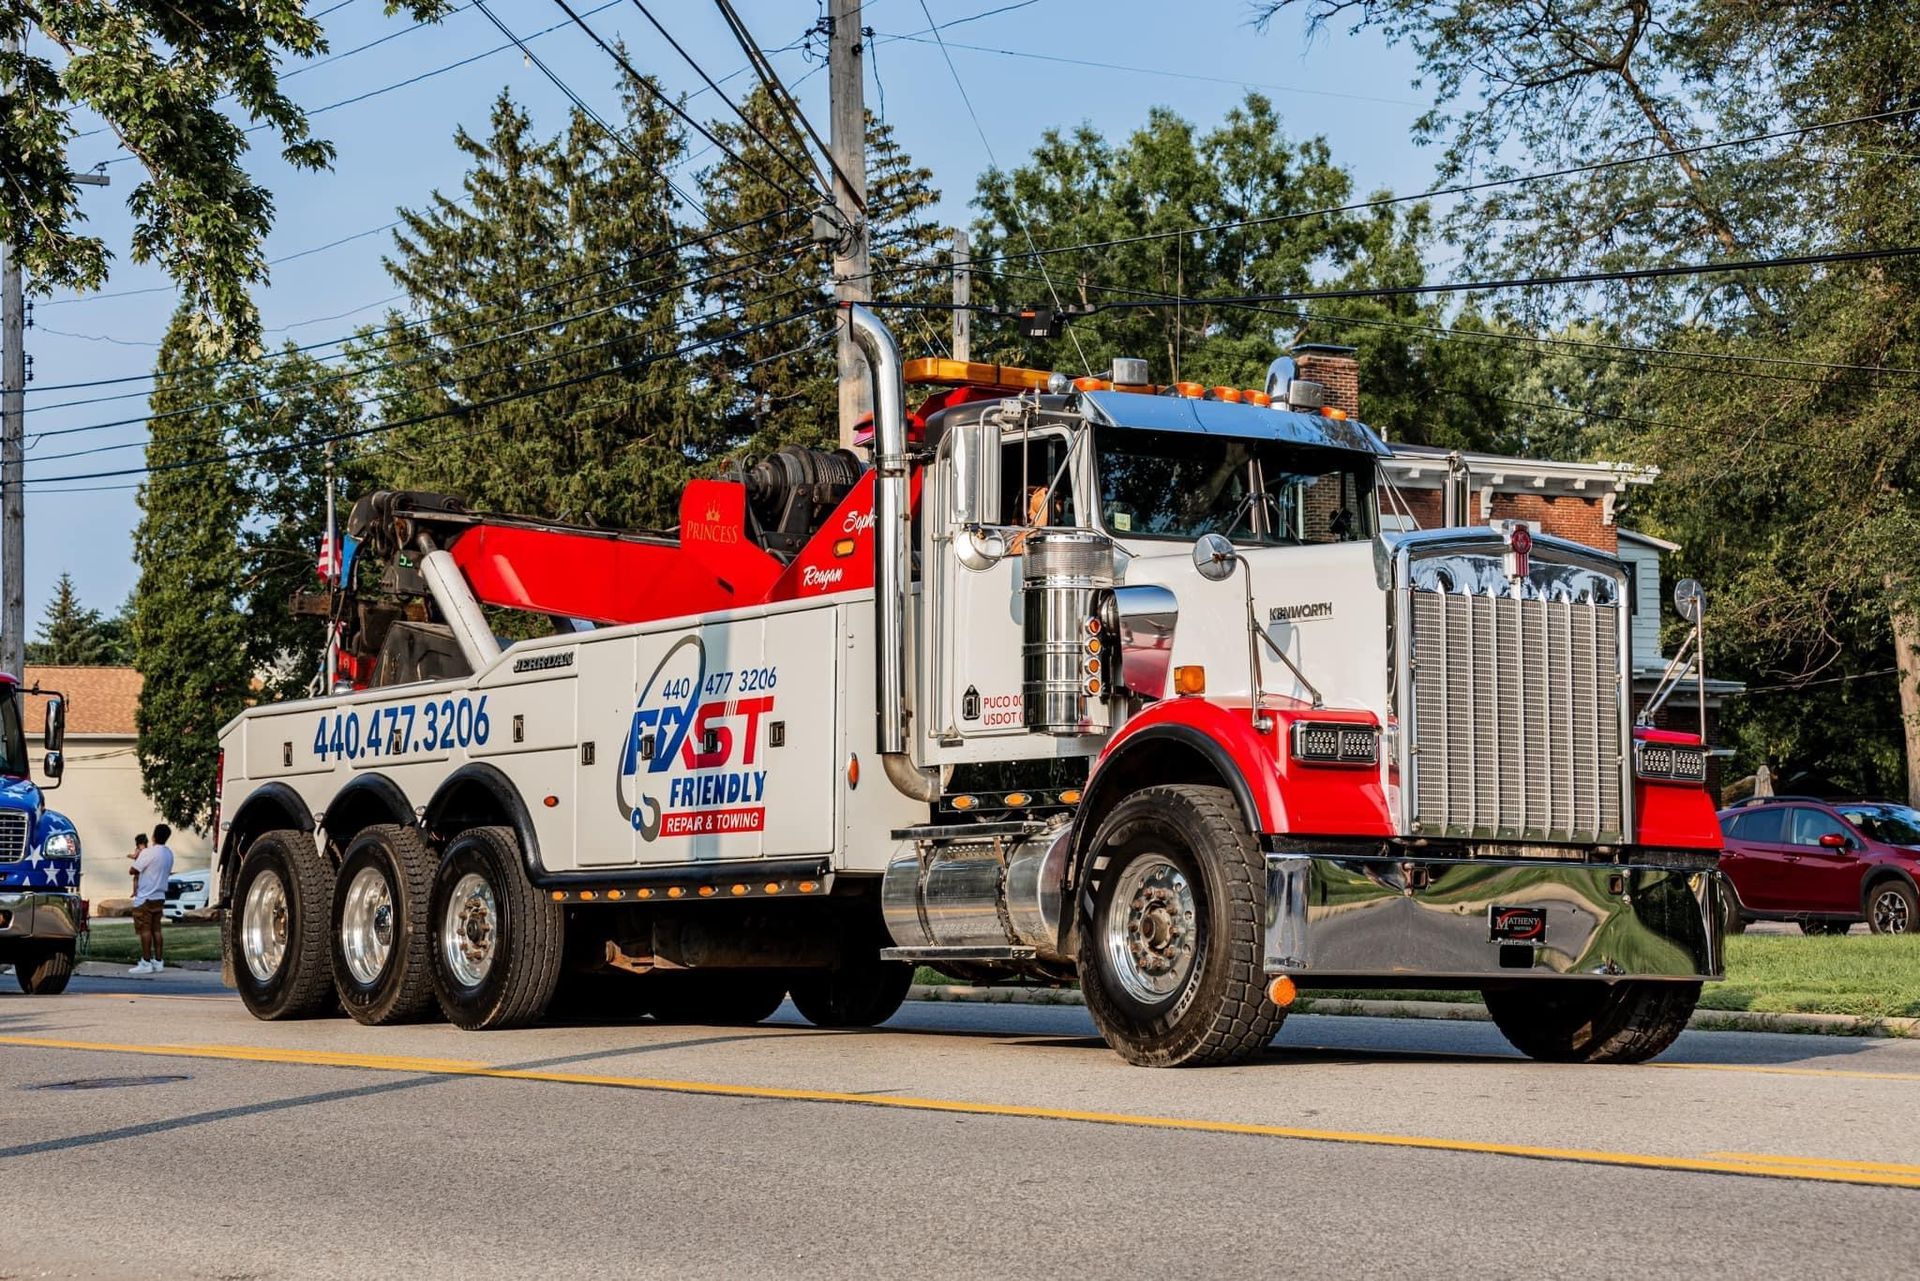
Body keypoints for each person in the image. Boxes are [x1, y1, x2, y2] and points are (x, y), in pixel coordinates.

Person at [128, 825, 174, 975]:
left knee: (145, 930)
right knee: (157, 930)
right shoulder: (169, 854)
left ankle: (146, 961)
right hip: (159, 896)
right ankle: (159, 961)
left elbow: (133, 870)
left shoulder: (148, 853)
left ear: (154, 836)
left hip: (145, 897)